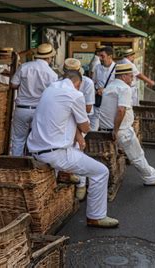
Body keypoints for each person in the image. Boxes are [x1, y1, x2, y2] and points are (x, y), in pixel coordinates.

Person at [27, 69, 119, 228]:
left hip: (36, 149)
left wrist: (77, 137)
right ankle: (96, 216)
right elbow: (85, 127)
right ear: (78, 84)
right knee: (101, 171)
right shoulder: (75, 95)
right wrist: (81, 133)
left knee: (77, 147)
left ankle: (67, 174)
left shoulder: (50, 89)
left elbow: (64, 117)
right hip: (56, 154)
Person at [99, 63, 155, 186]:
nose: (132, 79)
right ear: (124, 76)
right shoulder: (124, 88)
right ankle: (151, 178)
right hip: (121, 130)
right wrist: (116, 129)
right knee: (137, 156)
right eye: (131, 76)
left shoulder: (109, 87)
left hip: (106, 128)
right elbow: (121, 110)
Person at [10, 43, 58, 156]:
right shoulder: (52, 74)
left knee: (18, 139)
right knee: (38, 140)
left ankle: (16, 167)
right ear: (48, 58)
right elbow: (53, 95)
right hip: (40, 110)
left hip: (22, 109)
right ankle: (34, 167)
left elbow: (13, 85)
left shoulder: (24, 67)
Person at [58, 58, 95, 201]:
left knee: (77, 149)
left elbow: (88, 108)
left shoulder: (88, 83)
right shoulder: (58, 82)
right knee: (62, 149)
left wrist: (73, 106)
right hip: (65, 119)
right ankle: (65, 180)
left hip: (80, 119)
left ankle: (81, 184)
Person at [91, 46, 116, 131]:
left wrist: (105, 90)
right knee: (94, 124)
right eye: (99, 56)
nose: (100, 58)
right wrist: (95, 90)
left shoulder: (117, 69)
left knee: (107, 126)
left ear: (110, 56)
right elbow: (93, 82)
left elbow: (119, 87)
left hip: (110, 103)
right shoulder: (97, 67)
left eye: (102, 56)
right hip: (98, 100)